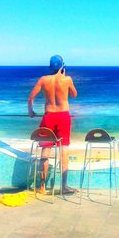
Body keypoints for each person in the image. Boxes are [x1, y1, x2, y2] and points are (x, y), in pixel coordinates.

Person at [28, 55, 77, 194]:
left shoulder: (43, 80)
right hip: (63, 116)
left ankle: (42, 186)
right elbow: (74, 94)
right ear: (62, 66)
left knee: (45, 151)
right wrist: (65, 76)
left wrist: (31, 111)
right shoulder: (67, 79)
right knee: (64, 151)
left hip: (48, 116)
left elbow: (31, 97)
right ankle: (63, 186)